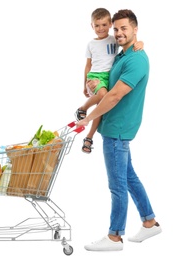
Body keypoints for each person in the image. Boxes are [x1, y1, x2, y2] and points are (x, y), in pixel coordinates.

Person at [76, 9, 162, 251]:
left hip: (117, 129)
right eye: (116, 29)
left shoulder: (136, 58)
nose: (119, 32)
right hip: (114, 126)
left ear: (135, 29)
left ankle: (115, 237)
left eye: (124, 28)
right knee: (129, 178)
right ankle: (149, 222)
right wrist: (92, 83)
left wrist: (88, 118)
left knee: (117, 185)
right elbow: (104, 77)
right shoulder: (123, 54)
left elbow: (114, 95)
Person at [75, 8, 143, 154]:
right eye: (97, 26)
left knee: (103, 103)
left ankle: (88, 133)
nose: (101, 29)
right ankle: (84, 112)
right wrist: (85, 84)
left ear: (109, 25)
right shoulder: (93, 45)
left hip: (107, 78)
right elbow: (88, 65)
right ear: (92, 26)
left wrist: (141, 42)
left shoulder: (117, 42)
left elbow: (131, 42)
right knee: (103, 98)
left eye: (104, 25)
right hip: (96, 76)